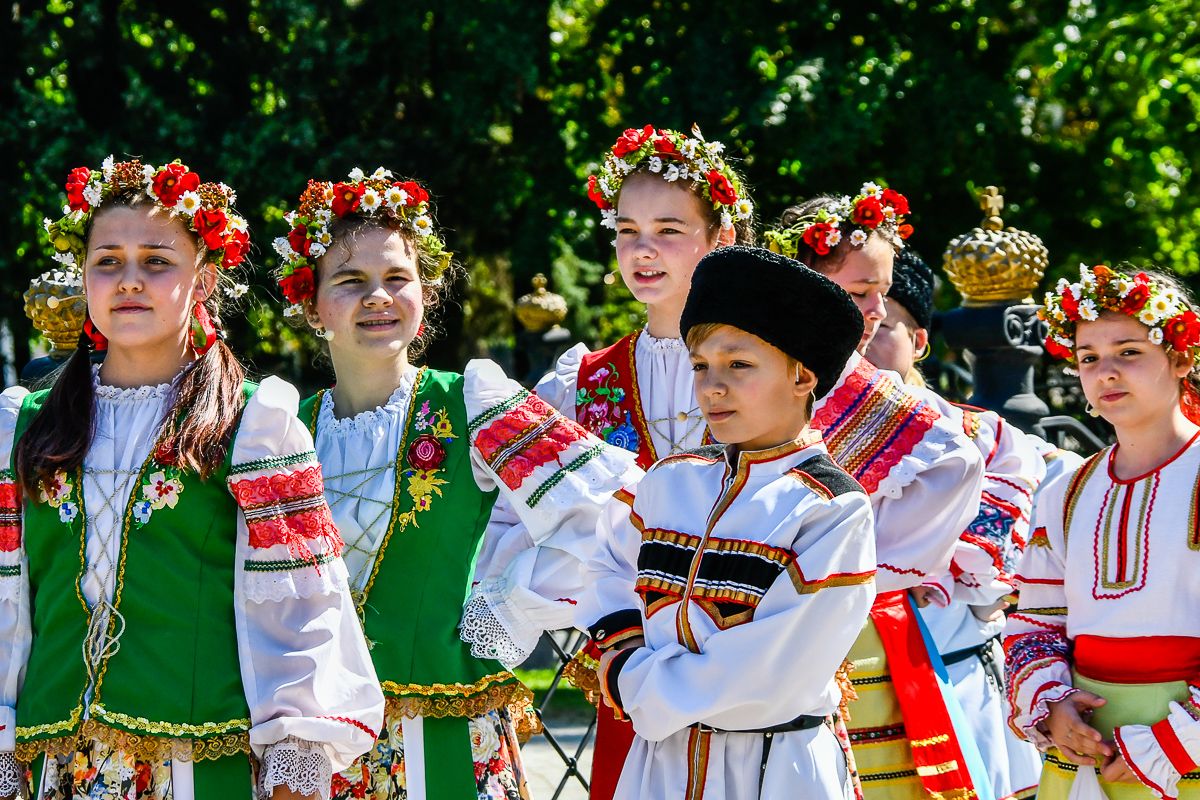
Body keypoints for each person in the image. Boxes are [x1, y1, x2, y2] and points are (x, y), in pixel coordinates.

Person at [0, 157, 382, 800]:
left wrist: (294, 767)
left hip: (200, 769)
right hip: (56, 767)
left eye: (156, 261)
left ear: (202, 281)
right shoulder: (27, 427)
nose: (129, 281)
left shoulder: (253, 423)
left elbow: (303, 609)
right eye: (107, 261)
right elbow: (11, 606)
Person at [274, 166, 641, 800]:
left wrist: (499, 609)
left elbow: (603, 515)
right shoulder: (283, 433)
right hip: (324, 742)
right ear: (310, 303)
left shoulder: (474, 402)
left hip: (446, 729)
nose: (378, 297)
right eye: (351, 281)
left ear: (426, 292)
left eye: (397, 278)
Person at [581, 245, 876, 798]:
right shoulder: (670, 482)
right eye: (700, 365)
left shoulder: (830, 509)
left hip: (770, 766)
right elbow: (608, 564)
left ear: (802, 376)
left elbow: (770, 672)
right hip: (659, 765)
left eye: (739, 365)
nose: (712, 386)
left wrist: (633, 681)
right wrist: (619, 644)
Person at [534, 124, 754, 800]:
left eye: (667, 229)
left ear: (720, 239)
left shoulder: (766, 366)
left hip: (745, 659)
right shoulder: (582, 380)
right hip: (631, 657)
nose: (642, 249)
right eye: (627, 230)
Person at [766, 185, 988, 799]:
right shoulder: (731, 375)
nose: (874, 310)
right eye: (860, 293)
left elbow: (955, 473)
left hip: (850, 643)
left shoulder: (891, 407)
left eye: (882, 294)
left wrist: (854, 566)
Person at [1006, 264, 1200, 799]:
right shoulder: (1067, 493)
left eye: (1129, 352)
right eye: (1089, 358)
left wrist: (1172, 743)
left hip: (1183, 753)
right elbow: (1036, 621)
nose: (1106, 372)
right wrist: (1053, 707)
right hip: (1089, 755)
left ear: (1181, 358)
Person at [866, 247, 1046, 800]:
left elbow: (986, 575)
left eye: (883, 323)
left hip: (954, 675)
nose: (863, 336)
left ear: (920, 340)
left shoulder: (983, 435)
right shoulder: (798, 434)